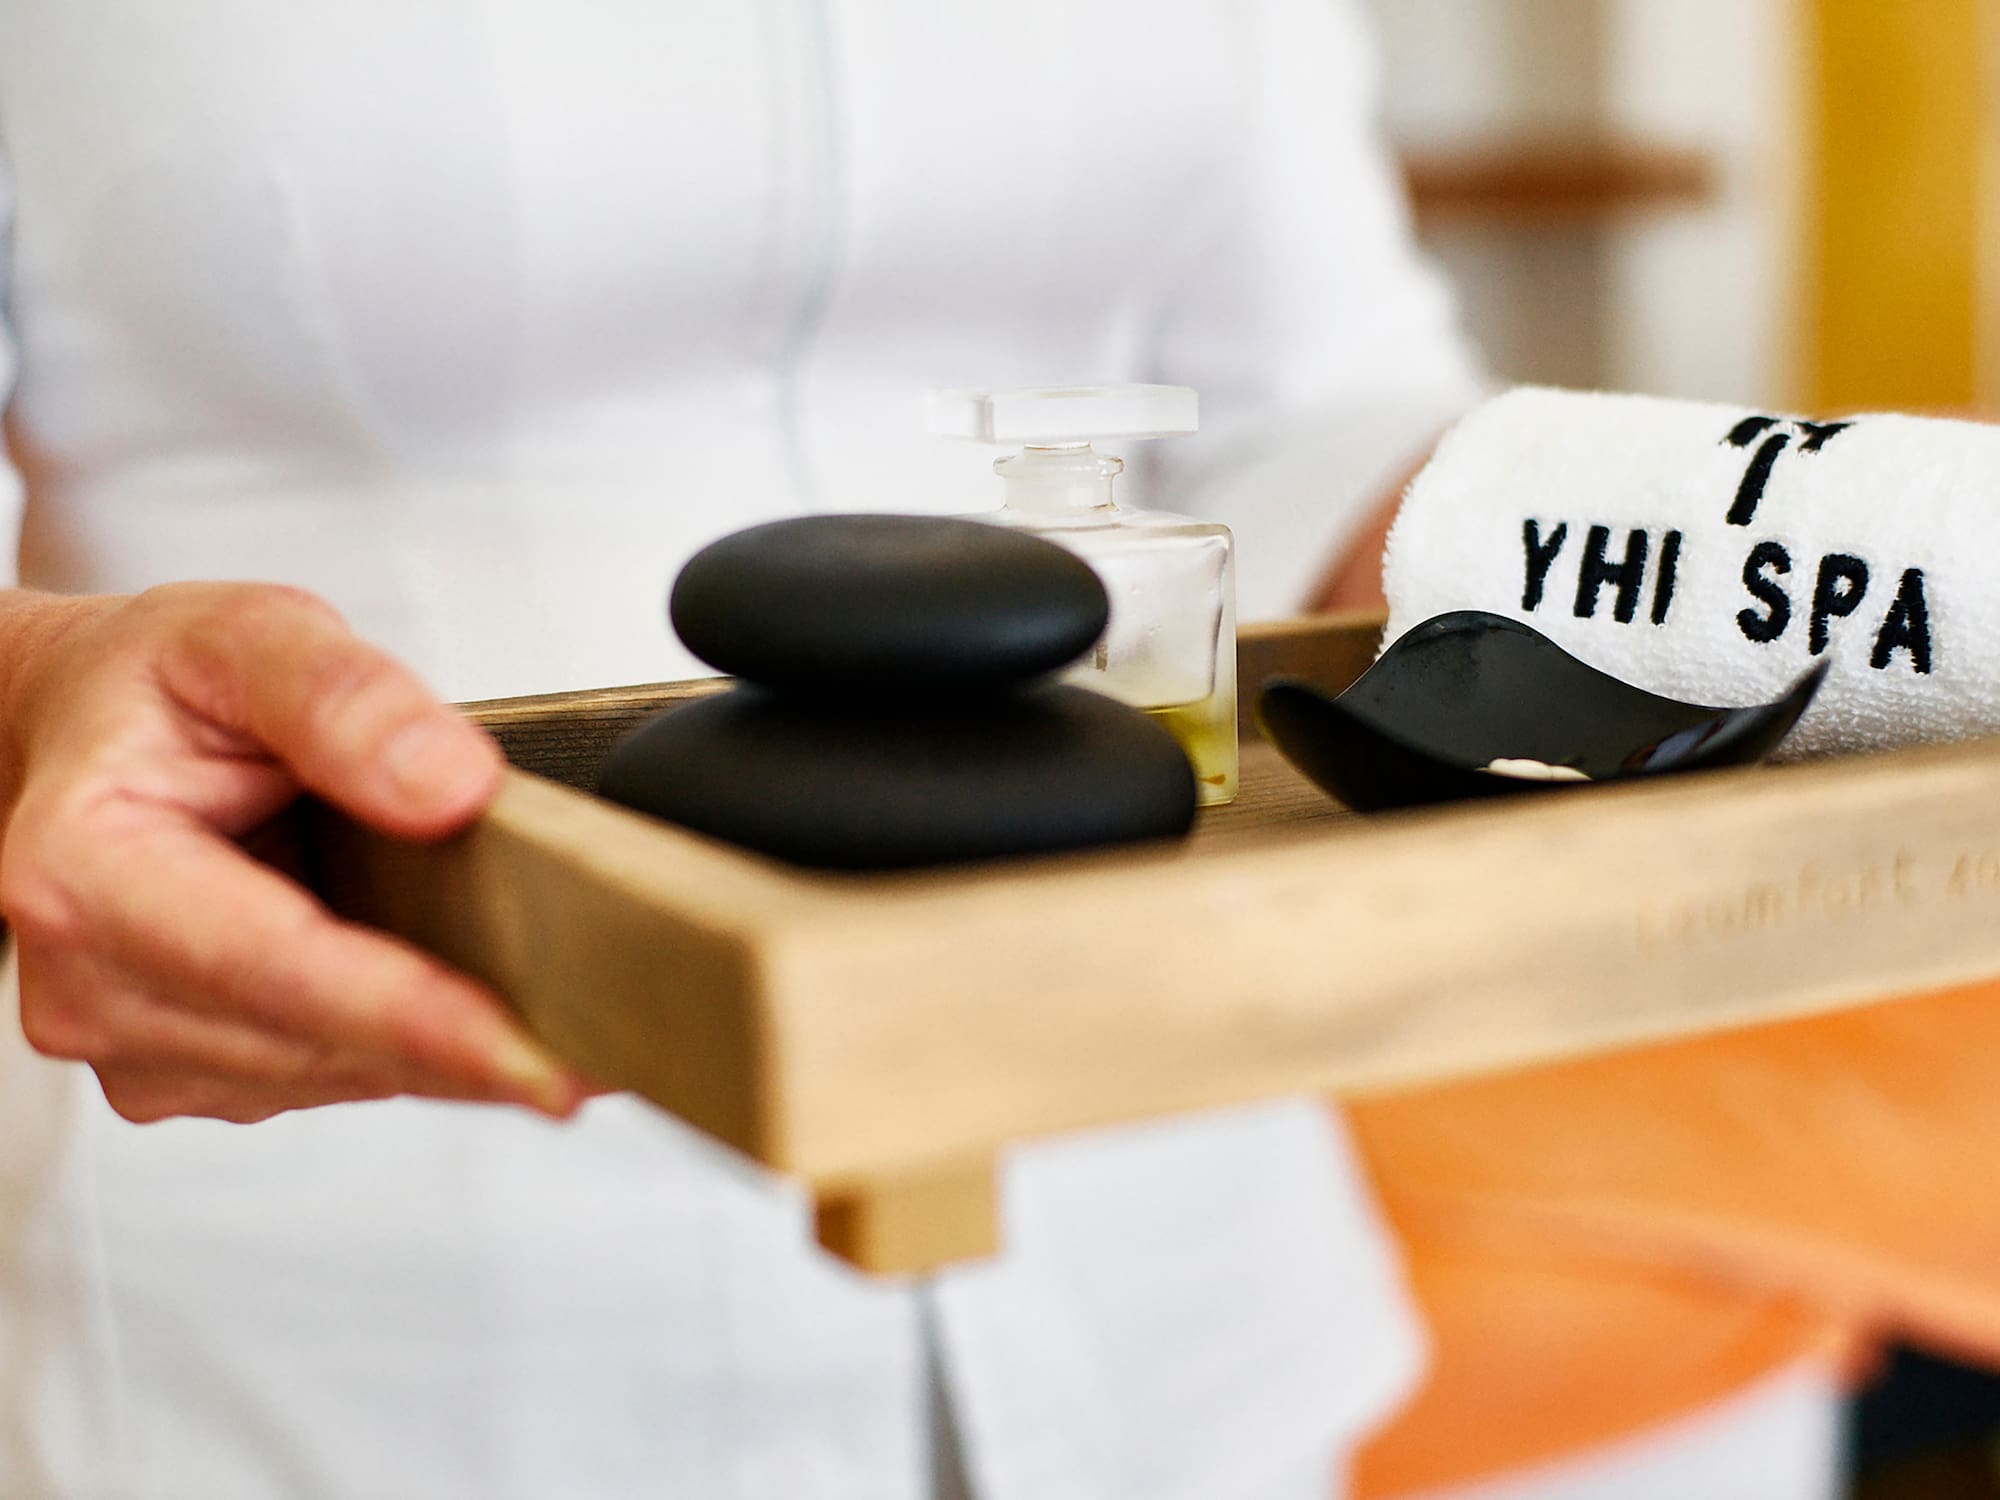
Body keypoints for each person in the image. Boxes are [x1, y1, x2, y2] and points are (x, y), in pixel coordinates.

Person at [0, 3, 1845, 1498]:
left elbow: (1318, 409)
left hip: (1166, 1265)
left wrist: (1829, 566)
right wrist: (35, 690)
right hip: (365, 1305)